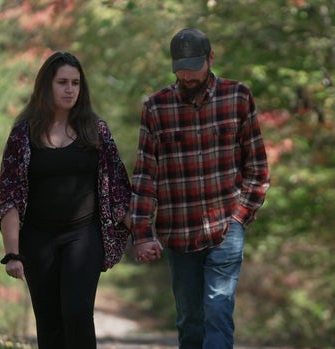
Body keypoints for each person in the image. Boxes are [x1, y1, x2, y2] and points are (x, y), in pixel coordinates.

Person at [129, 28, 270, 349]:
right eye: (181, 68)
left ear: (211, 59)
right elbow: (145, 176)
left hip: (226, 227)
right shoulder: (156, 107)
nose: (188, 75)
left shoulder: (238, 97)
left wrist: (239, 218)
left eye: (194, 66)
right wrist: (142, 232)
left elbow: (258, 167)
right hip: (178, 232)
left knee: (219, 310)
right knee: (190, 320)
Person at [0, 51, 131, 349]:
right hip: (37, 239)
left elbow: (119, 189)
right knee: (49, 322)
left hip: (83, 236)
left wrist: (146, 233)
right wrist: (13, 253)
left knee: (77, 313)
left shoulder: (96, 131)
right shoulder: (23, 135)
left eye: (75, 83)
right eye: (62, 82)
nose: (70, 89)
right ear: (46, 86)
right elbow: (11, 197)